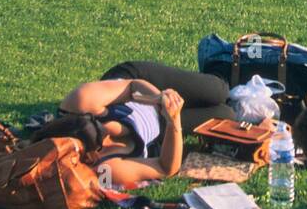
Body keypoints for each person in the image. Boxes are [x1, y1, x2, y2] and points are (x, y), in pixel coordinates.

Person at [28, 62, 234, 188]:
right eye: (103, 138)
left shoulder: (80, 102)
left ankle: (222, 58)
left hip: (141, 83)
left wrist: (159, 97)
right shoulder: (106, 168)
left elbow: (131, 85)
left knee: (219, 91)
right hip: (163, 124)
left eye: (97, 122)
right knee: (226, 113)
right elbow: (165, 167)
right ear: (90, 155)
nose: (108, 131)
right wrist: (174, 122)